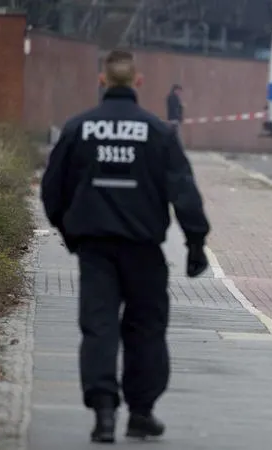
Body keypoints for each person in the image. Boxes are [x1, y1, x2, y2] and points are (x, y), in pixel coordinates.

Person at [40, 50, 211, 443]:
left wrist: (69, 233)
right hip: (143, 249)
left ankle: (103, 414)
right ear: (138, 82)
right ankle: (141, 412)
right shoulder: (158, 132)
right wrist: (195, 243)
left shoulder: (78, 129)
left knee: (99, 327)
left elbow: (52, 189)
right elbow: (183, 191)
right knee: (146, 328)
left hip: (95, 249)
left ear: (102, 81)